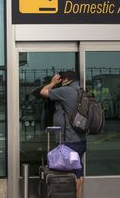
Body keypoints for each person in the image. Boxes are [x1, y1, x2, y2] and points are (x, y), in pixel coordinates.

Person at [40, 70, 86, 198]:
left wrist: (53, 82)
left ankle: (68, 195)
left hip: (69, 140)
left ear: (66, 80)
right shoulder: (81, 91)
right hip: (80, 139)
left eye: (61, 79)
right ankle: (77, 195)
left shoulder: (66, 91)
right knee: (78, 170)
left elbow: (43, 91)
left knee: (63, 171)